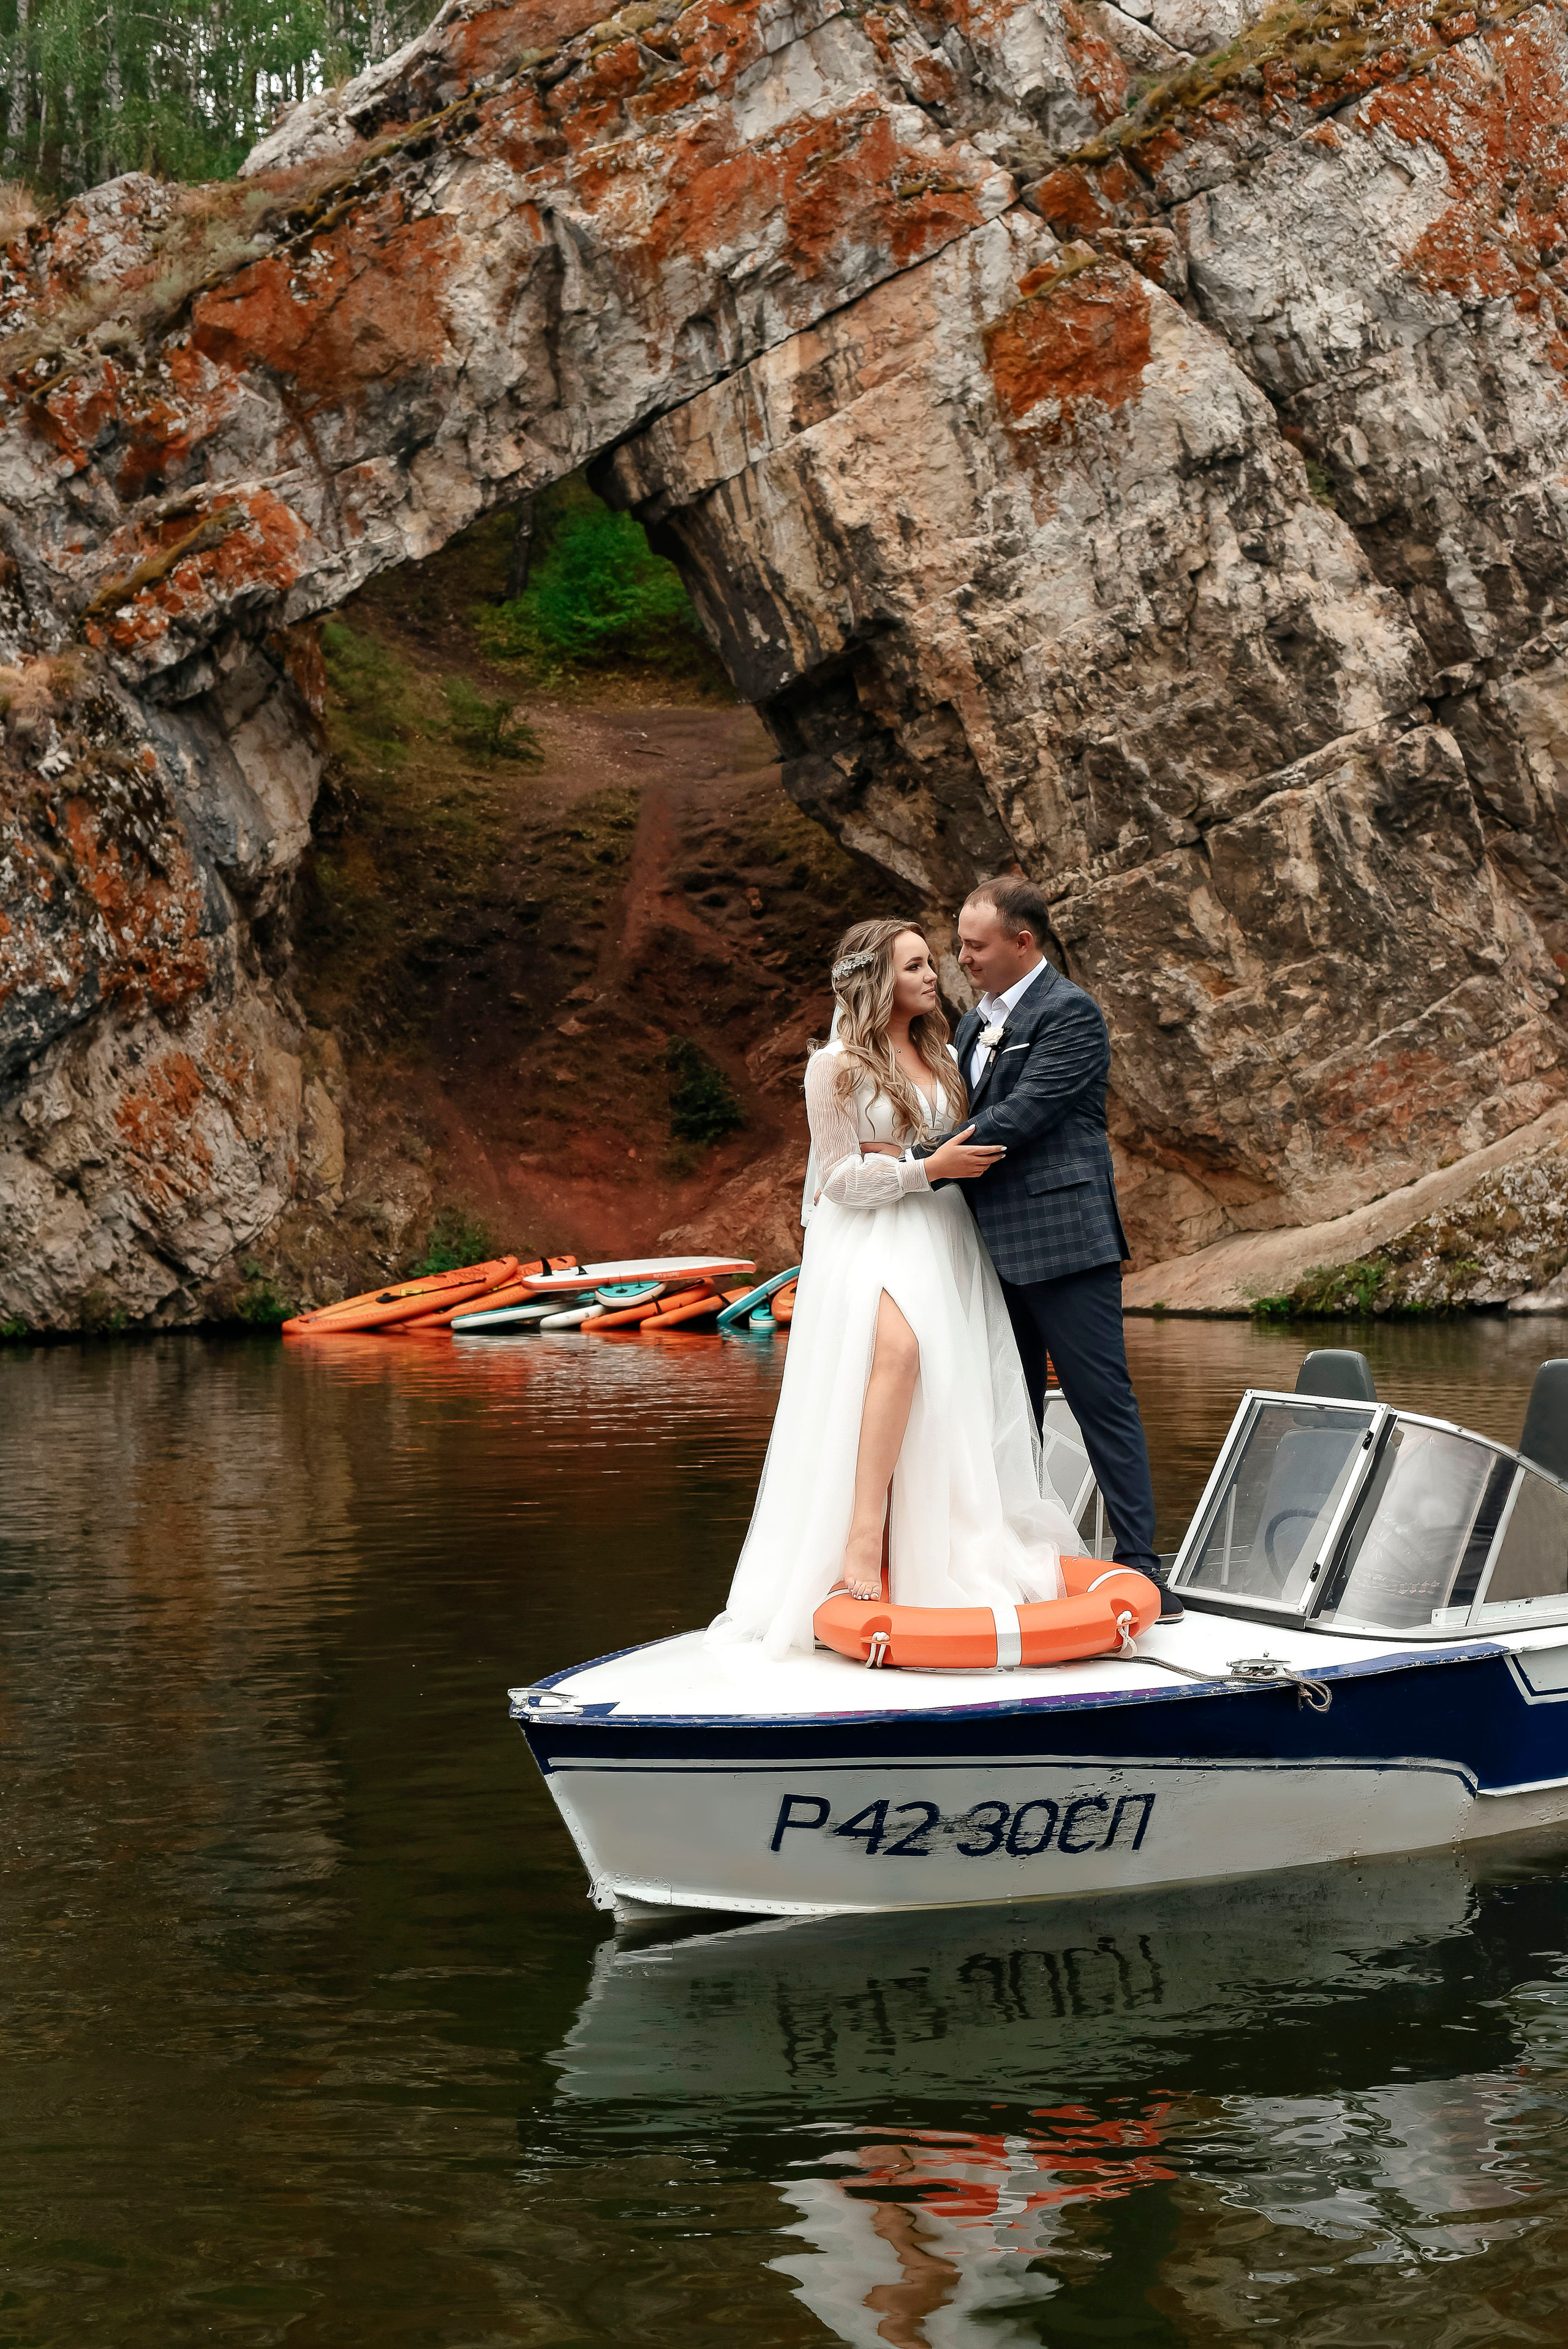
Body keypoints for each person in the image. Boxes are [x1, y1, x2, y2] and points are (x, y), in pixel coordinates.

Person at [709, 917, 1081, 1661]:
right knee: (900, 1355)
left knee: (942, 1382)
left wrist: (935, 1170)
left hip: (943, 1234)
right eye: (912, 966)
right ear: (877, 978)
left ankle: (938, 1540)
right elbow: (838, 1179)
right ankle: (858, 1540)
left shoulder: (945, 1056)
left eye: (928, 964)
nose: (931, 976)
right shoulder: (836, 1065)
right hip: (873, 1236)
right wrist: (922, 1169)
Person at [912, 875, 1174, 1616]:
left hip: (1064, 1242)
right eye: (959, 943)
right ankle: (1017, 1561)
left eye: (974, 945)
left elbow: (1023, 1114)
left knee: (1100, 1401)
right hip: (986, 1250)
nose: (959, 958)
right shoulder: (969, 1028)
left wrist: (915, 1168)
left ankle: (1144, 1566)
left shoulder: (1072, 1013)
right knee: (1005, 1406)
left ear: (1021, 943)